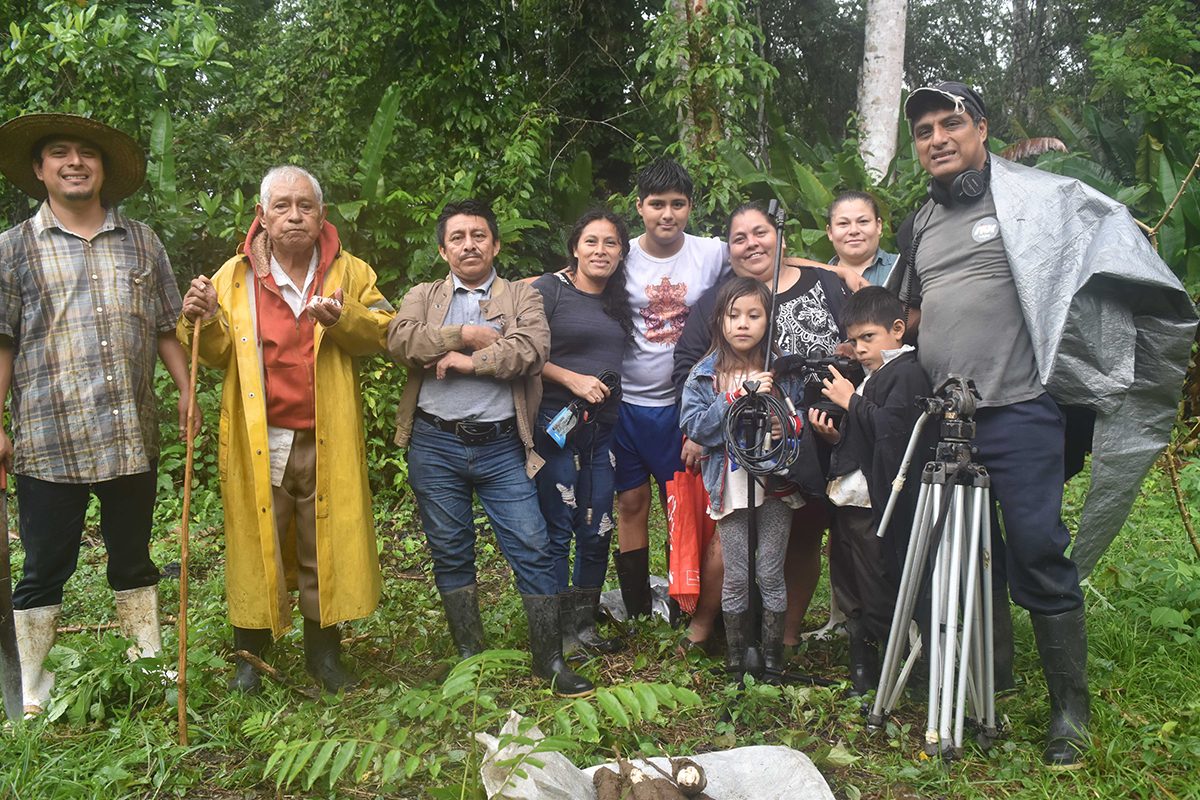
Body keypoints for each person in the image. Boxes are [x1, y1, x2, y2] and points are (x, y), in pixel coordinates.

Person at [890, 81, 1195, 769]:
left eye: (951, 123)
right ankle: (973, 690)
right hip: (947, 419)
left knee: (1035, 549)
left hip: (1022, 409)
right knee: (953, 558)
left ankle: (1069, 712)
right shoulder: (918, 225)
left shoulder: (1038, 200)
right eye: (924, 130)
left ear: (981, 129)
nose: (936, 138)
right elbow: (909, 314)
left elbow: (1108, 245)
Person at [0, 113, 194, 716]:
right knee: (44, 567)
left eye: (87, 153)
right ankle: (31, 692)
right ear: (40, 170)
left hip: (128, 432)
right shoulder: (12, 248)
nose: (74, 162)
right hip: (45, 437)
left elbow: (166, 327)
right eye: (59, 153)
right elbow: (2, 342)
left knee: (133, 557)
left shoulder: (143, 241)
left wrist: (187, 389)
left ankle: (152, 674)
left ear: (104, 170)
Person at [179, 165, 393, 694]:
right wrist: (196, 319)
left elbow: (384, 333)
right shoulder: (233, 276)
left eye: (306, 206)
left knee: (325, 543)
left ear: (322, 215)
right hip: (262, 438)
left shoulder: (351, 273)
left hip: (327, 434)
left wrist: (341, 319)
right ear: (263, 216)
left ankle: (324, 657)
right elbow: (218, 350)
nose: (295, 215)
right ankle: (251, 659)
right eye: (283, 206)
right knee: (259, 543)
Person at [388, 198, 593, 698]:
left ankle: (549, 660)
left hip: (503, 445)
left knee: (533, 545)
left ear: (495, 244)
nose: (469, 245)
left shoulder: (522, 295)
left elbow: (529, 350)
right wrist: (466, 333)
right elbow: (400, 341)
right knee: (449, 549)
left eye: (479, 235)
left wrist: (464, 361)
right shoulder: (422, 294)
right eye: (457, 237)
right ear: (443, 250)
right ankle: (469, 658)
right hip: (435, 443)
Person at [672, 201, 848, 652]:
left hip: (806, 448)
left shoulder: (825, 284)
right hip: (731, 467)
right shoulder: (716, 309)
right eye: (739, 237)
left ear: (781, 236)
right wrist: (703, 426)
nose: (752, 243)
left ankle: (780, 642)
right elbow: (692, 382)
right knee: (731, 553)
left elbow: (860, 342)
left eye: (761, 232)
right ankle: (717, 636)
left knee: (797, 542)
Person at [612, 158, 731, 622]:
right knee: (631, 501)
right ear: (639, 206)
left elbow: (765, 255)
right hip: (627, 403)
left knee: (681, 503)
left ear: (690, 207)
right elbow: (570, 274)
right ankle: (638, 606)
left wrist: (838, 269)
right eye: (657, 204)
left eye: (677, 204)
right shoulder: (620, 254)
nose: (667, 214)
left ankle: (685, 598)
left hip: (680, 406)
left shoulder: (710, 252)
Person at [808, 287, 933, 696]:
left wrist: (851, 402)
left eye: (868, 338)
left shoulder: (907, 373)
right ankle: (865, 664)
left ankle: (906, 670)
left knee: (878, 585)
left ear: (898, 330)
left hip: (874, 504)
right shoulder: (875, 375)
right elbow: (865, 436)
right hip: (849, 500)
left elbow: (896, 436)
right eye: (854, 339)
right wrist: (834, 434)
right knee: (849, 583)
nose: (859, 349)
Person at [680, 277, 804, 683]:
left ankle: (771, 662)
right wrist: (734, 398)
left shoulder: (782, 372)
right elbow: (696, 428)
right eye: (734, 316)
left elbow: (799, 424)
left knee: (770, 572)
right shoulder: (705, 374)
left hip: (775, 487)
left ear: (769, 321)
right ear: (720, 320)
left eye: (754, 315)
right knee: (735, 574)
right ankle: (736, 660)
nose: (743, 324)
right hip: (730, 487)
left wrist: (781, 420)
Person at [530, 209, 634, 655]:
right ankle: (556, 634)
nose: (600, 250)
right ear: (574, 247)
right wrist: (571, 378)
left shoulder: (620, 300)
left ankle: (584, 626)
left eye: (610, 243)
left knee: (598, 528)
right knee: (559, 527)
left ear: (622, 253)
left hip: (601, 434)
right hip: (553, 429)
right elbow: (519, 349)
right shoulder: (548, 289)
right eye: (591, 241)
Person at [826, 191, 898, 288]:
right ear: (830, 232)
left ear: (878, 226)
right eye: (843, 223)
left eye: (863, 221)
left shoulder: (901, 268)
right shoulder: (818, 280)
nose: (854, 230)